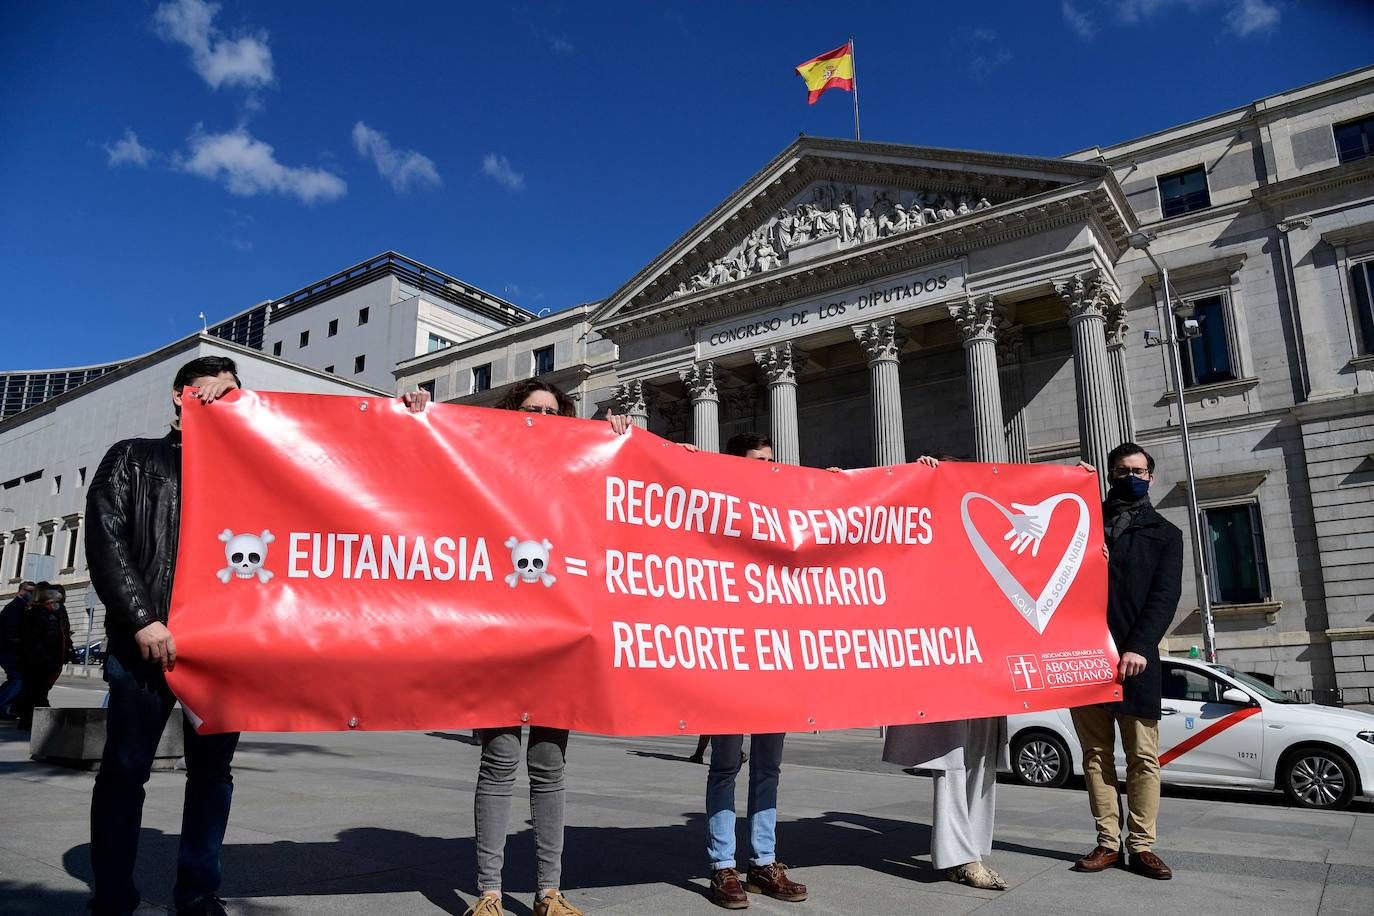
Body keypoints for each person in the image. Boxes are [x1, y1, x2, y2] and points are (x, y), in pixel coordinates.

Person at [86, 355, 430, 916]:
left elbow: (346, 465)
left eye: (234, 393)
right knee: (125, 772)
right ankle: (114, 894)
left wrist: (407, 416)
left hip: (225, 652)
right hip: (145, 645)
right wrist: (142, 618)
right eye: (213, 392)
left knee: (212, 775)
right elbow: (106, 541)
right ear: (181, 397)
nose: (226, 401)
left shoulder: (256, 462)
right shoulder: (133, 458)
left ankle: (197, 891)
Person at [466, 379, 584, 916]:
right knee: (499, 761)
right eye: (532, 409)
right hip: (501, 632)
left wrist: (646, 446)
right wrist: (417, 413)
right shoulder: (486, 459)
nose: (542, 417)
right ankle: (489, 891)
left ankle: (548, 891)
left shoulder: (575, 470)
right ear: (511, 412)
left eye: (553, 411)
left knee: (549, 765)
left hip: (557, 636)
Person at [883, 454, 1010, 889]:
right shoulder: (924, 534)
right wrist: (914, 477)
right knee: (952, 762)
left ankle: (972, 847)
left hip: (991, 661)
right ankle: (959, 855)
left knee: (982, 759)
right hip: (946, 661)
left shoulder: (991, 537)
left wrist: (1073, 486)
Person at [701, 430, 807, 910]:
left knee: (769, 768)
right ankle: (723, 866)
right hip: (728, 660)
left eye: (771, 460)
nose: (767, 467)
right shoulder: (717, 511)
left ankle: (763, 861)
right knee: (725, 767)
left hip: (776, 659)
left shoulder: (786, 512)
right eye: (756, 461)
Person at [1070, 443, 1182, 881]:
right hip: (1086, 656)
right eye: (1120, 471)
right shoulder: (1084, 520)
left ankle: (1142, 846)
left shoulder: (1166, 534)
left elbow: (1164, 597)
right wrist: (1072, 487)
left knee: (1143, 757)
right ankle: (1107, 843)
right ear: (1110, 475)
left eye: (1137, 471)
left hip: (1138, 660)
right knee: (1096, 755)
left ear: (1150, 477)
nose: (1129, 477)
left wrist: (1139, 646)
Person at [13, 586, 73, 729]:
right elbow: (50, 641)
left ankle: (26, 719)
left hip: (31, 661)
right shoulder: (47, 618)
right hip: (41, 662)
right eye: (56, 602)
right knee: (38, 693)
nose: (58, 606)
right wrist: (52, 660)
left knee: (32, 691)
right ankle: (37, 722)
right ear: (48, 602)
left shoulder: (32, 614)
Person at [0, 580, 36, 717]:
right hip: (9, 650)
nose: (32, 594)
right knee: (18, 679)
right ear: (21, 591)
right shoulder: (15, 607)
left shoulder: (22, 607)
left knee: (14, 678)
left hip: (11, 650)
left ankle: (3, 704)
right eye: (29, 591)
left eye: (34, 592)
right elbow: (11, 632)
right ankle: (3, 707)